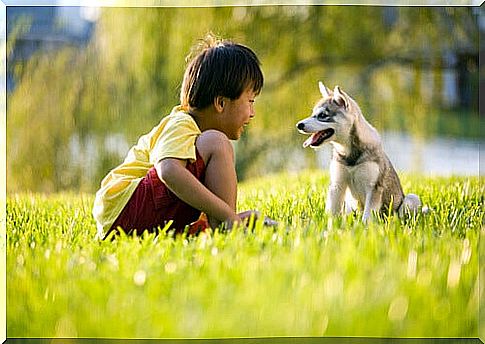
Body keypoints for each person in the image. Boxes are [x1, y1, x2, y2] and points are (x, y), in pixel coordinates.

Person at [92, 34, 275, 239]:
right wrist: (229, 217)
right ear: (221, 103)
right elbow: (168, 169)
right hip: (126, 208)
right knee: (217, 142)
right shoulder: (182, 122)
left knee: (211, 150)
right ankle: (227, 226)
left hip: (125, 219)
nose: (252, 113)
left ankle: (223, 226)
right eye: (250, 101)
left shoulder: (194, 139)